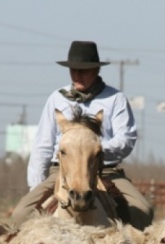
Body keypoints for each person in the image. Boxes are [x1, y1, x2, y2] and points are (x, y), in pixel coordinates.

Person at [11, 40, 154, 230]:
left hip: (105, 171)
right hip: (61, 169)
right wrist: (36, 187)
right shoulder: (57, 98)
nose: (77, 75)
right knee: (21, 214)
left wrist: (94, 151)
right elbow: (42, 146)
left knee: (143, 212)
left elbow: (126, 140)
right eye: (73, 70)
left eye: (83, 70)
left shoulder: (115, 99)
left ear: (96, 70)